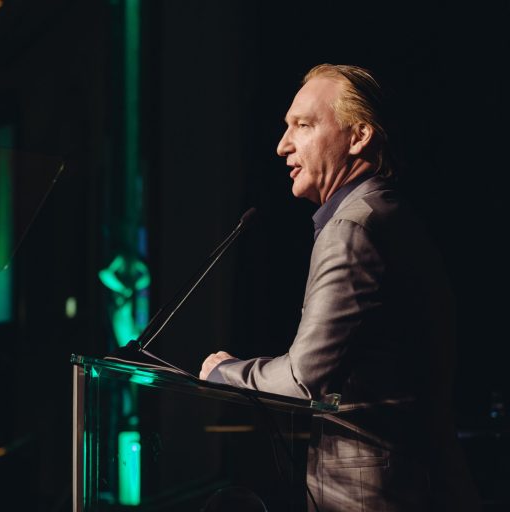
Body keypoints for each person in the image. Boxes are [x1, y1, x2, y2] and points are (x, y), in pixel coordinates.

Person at [199, 64, 479, 511]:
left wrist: (222, 372)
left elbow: (300, 380)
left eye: (303, 126)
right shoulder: (385, 212)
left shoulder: (355, 226)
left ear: (359, 135)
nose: (282, 145)